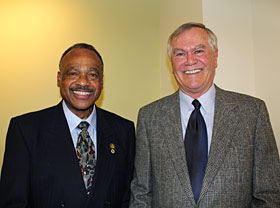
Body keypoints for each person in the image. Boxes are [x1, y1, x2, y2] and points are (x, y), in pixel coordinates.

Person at [129, 22, 280, 207]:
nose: (190, 60)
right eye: (180, 53)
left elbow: (269, 195)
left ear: (215, 57)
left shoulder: (252, 113)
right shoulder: (149, 117)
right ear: (172, 63)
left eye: (199, 51)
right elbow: (141, 194)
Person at [0, 43, 135, 208]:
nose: (83, 82)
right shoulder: (25, 130)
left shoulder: (124, 131)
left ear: (102, 81)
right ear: (59, 79)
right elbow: (13, 203)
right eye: (73, 73)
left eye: (92, 75)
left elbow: (127, 200)